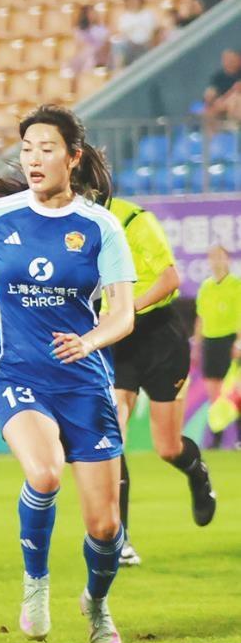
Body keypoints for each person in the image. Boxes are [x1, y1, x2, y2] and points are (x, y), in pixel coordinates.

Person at [0, 105, 136, 643]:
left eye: (46, 149)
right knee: (44, 473)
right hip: (17, 374)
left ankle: (97, 604)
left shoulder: (100, 227)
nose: (34, 160)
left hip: (83, 383)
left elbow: (123, 314)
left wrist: (89, 341)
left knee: (106, 527)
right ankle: (35, 585)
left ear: (73, 157)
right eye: (26, 150)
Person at [101, 196, 216, 568]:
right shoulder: (74, 224)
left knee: (167, 447)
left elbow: (170, 279)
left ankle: (197, 473)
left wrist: (128, 308)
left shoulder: (134, 219)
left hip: (160, 337)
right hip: (119, 341)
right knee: (113, 433)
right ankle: (120, 539)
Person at [195, 245, 241, 447]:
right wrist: (197, 345)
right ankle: (216, 438)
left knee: (234, 391)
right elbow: (200, 317)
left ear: (228, 260)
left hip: (230, 340)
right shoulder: (206, 287)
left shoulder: (236, 285)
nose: (216, 261)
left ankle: (239, 438)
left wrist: (239, 342)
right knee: (213, 392)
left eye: (220, 257)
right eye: (213, 257)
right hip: (210, 341)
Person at [112, 0, 160, 69]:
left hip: (145, 45)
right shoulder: (124, 17)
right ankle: (118, 70)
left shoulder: (148, 14)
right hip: (130, 46)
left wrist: (148, 42)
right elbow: (123, 34)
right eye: (130, 0)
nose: (133, 2)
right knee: (118, 44)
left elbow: (153, 33)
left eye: (135, 0)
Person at [68, 5, 111, 74]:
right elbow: (79, 45)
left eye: (93, 13)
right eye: (89, 13)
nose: (91, 15)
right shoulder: (79, 30)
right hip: (86, 54)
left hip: (100, 53)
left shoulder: (101, 28)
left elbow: (106, 42)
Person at [203, 49, 241, 120]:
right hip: (222, 105)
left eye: (232, 60)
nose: (229, 62)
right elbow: (211, 93)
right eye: (226, 60)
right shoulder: (218, 77)